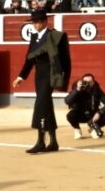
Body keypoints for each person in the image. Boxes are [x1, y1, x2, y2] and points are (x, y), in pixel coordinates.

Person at [12, 8, 72, 154]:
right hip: (39, 76)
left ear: (45, 21)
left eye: (37, 22)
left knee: (40, 105)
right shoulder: (34, 37)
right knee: (46, 105)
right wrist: (21, 76)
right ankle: (53, 142)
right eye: (33, 22)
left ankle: (40, 141)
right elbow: (29, 59)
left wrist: (63, 80)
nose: (35, 24)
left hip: (51, 75)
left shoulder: (56, 36)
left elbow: (66, 60)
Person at [65, 73, 105, 140]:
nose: (88, 84)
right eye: (85, 82)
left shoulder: (97, 90)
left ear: (93, 82)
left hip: (93, 115)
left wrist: (99, 113)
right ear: (82, 82)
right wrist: (77, 90)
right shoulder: (77, 88)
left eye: (90, 82)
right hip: (80, 114)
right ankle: (77, 129)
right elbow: (67, 101)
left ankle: (92, 128)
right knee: (70, 115)